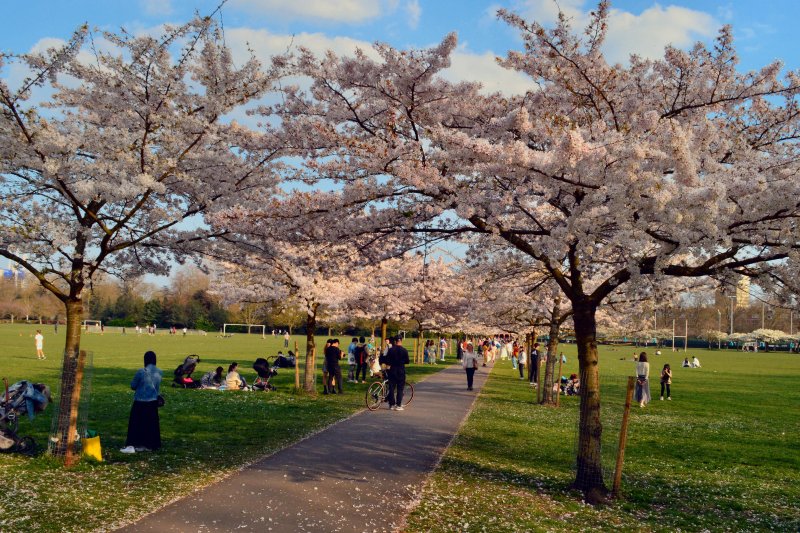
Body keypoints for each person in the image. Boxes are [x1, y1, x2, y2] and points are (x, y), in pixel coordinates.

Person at [121, 351, 162, 453]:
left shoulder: (141, 372)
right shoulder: (159, 372)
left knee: (136, 424)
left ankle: (135, 443)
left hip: (140, 402)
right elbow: (157, 388)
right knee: (150, 425)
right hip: (152, 403)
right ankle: (150, 444)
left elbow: (133, 386)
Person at [385, 335, 410, 410]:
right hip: (401, 370)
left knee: (391, 387)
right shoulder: (404, 350)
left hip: (392, 370)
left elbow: (387, 360)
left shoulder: (391, 350)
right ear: (401, 341)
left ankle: (391, 404)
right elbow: (407, 361)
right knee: (400, 388)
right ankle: (398, 405)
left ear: (395, 341)